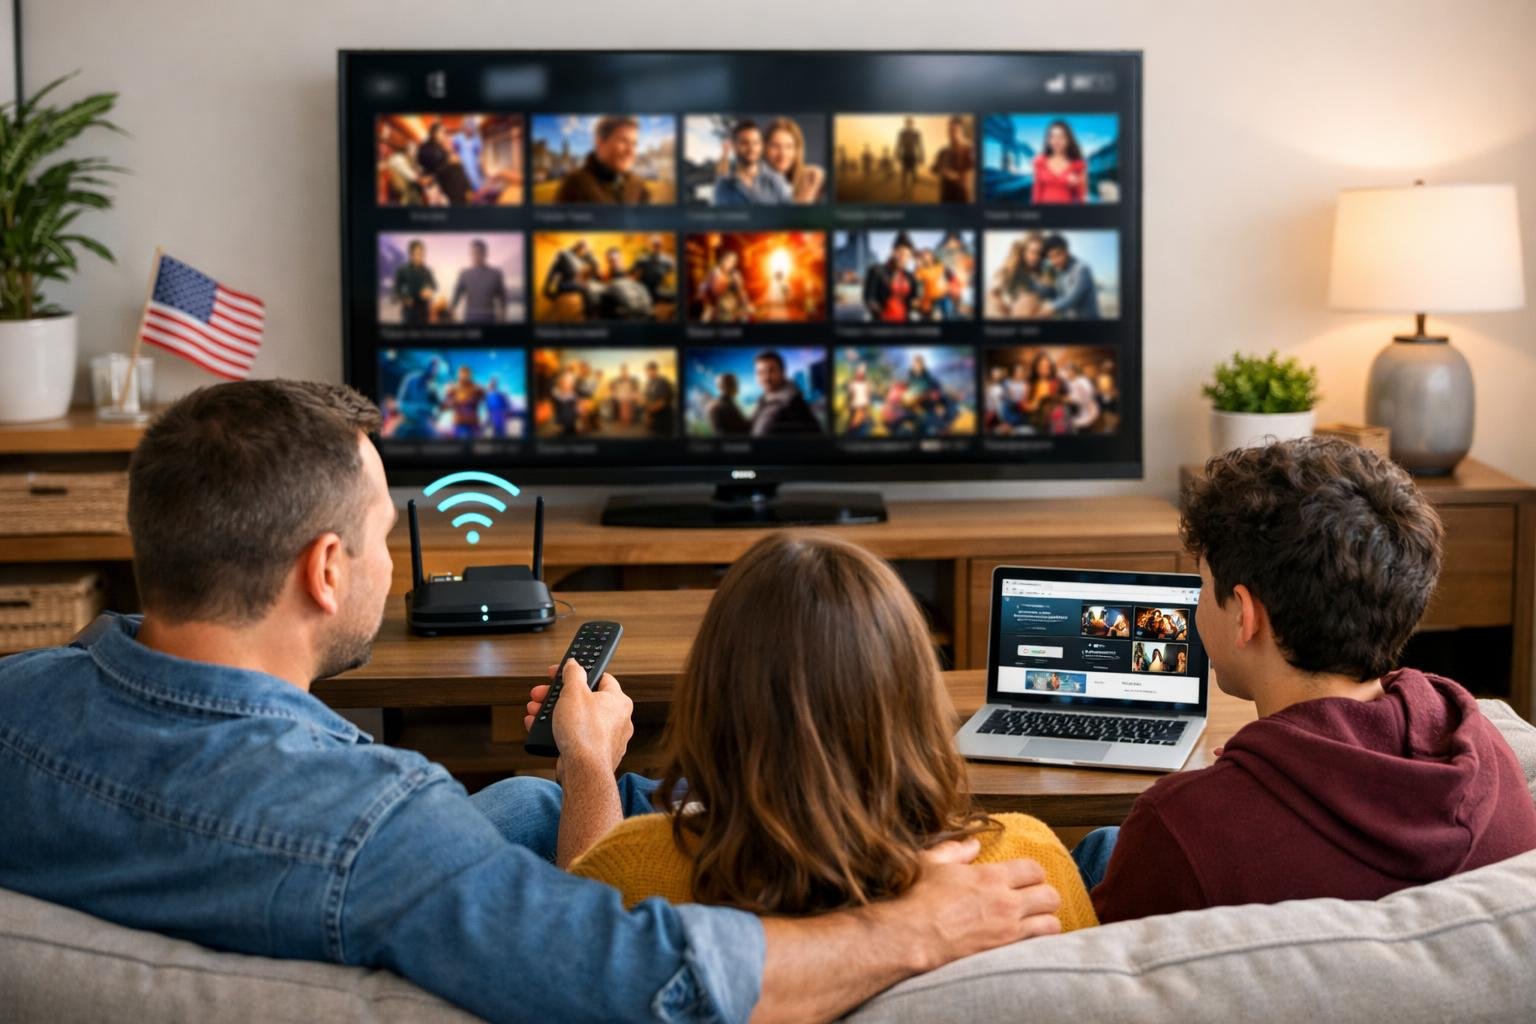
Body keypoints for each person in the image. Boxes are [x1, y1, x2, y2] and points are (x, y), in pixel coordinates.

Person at [0, 380, 1064, 1024]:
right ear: (327, 569)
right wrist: (918, 925)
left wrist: (581, 772)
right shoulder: (376, 829)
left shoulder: (15, 708)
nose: (387, 555)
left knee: (522, 800)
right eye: (381, 534)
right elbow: (662, 985)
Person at [1082, 438, 1536, 923]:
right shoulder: (1490, 754)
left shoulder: (1177, 828)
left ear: (1245, 616)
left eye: (1201, 588)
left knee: (1092, 852)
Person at [566, 533, 1096, 933]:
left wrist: (587, 766)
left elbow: (571, 961)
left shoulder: (632, 865)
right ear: (917, 703)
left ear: (710, 700)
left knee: (538, 800)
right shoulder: (1029, 869)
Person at [554, 116, 652, 204]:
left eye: (634, 144)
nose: (631, 152)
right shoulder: (575, 186)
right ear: (600, 143)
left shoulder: (638, 185)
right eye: (623, 141)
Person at [712, 120, 793, 205]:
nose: (751, 148)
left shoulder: (777, 180)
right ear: (735, 146)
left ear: (761, 146)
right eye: (744, 143)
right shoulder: (723, 185)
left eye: (756, 143)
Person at [749, 350, 822, 437]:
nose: (766, 377)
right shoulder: (763, 400)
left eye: (771, 370)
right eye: (760, 372)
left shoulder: (794, 405)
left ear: (783, 372)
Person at [763, 117, 825, 203]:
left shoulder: (813, 178)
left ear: (797, 150)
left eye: (789, 147)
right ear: (764, 148)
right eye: (775, 146)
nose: (782, 154)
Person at [990, 234, 1052, 318]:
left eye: (1039, 254)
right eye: (1032, 252)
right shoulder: (1012, 267)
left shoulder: (1043, 271)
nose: (1036, 257)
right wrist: (1008, 312)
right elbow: (993, 293)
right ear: (1024, 251)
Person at [1041, 235, 1100, 320]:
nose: (1055, 261)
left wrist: (1049, 307)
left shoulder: (1082, 269)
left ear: (1067, 251)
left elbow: (1072, 299)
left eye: (1058, 254)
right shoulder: (1060, 273)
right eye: (1051, 257)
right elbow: (1058, 296)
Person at [417, 121, 475, 206]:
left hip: (457, 189)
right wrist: (448, 162)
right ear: (434, 133)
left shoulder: (443, 150)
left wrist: (468, 188)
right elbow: (431, 171)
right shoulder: (427, 148)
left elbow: (459, 170)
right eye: (442, 132)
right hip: (447, 190)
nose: (444, 135)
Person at [450, 239, 508, 324]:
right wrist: (451, 311)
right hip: (470, 316)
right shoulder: (464, 274)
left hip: (489, 316)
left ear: (485, 254)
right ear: (470, 254)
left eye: (479, 252)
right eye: (473, 253)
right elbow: (457, 294)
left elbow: (502, 298)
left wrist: (503, 316)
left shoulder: (496, 274)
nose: (476, 256)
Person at [1031, 119, 1087, 204]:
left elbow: (1082, 198)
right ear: (1048, 139)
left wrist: (1077, 184)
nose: (1056, 141)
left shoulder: (1078, 164)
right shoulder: (1039, 162)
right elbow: (1036, 193)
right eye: (1052, 136)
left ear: (1069, 139)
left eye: (1061, 137)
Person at [541, 239, 600, 319]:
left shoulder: (581, 259)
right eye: (585, 249)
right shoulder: (565, 255)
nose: (585, 252)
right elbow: (552, 271)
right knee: (588, 287)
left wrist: (591, 255)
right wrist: (547, 288)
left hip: (574, 284)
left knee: (593, 287)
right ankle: (590, 316)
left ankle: (590, 314)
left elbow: (594, 267)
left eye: (587, 250)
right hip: (565, 285)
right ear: (579, 247)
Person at [862, 236, 917, 322]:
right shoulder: (876, 270)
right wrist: (881, 315)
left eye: (908, 256)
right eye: (901, 253)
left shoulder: (910, 276)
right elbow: (869, 298)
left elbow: (913, 298)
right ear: (893, 252)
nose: (904, 258)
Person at [393, 355, 443, 439]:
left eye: (436, 368)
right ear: (427, 366)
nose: (434, 370)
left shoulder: (435, 387)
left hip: (425, 426)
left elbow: (438, 409)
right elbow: (400, 403)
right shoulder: (411, 379)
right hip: (408, 422)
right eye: (432, 366)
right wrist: (419, 410)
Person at [696, 248, 752, 323]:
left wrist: (746, 304)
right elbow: (702, 292)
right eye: (729, 260)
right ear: (722, 260)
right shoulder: (713, 273)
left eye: (734, 261)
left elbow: (741, 291)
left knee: (745, 319)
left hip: (734, 308)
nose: (731, 264)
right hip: (720, 311)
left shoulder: (735, 275)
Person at [931, 116, 974, 203]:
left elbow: (969, 177)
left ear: (963, 132)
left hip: (962, 199)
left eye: (955, 131)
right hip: (945, 198)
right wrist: (941, 170)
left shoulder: (969, 150)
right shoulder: (943, 151)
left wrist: (953, 176)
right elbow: (933, 168)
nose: (951, 134)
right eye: (949, 131)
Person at [392, 240, 436, 325]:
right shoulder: (402, 271)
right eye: (419, 254)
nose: (422, 257)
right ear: (411, 255)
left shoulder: (427, 271)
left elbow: (434, 285)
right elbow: (394, 293)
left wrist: (430, 290)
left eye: (423, 254)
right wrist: (404, 298)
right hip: (409, 314)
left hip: (424, 314)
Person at [444, 365, 486, 441]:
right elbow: (446, 406)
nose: (464, 376)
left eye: (466, 373)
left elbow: (485, 399)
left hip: (473, 422)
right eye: (462, 373)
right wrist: (452, 400)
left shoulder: (477, 388)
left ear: (470, 375)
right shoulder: (453, 388)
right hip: (460, 422)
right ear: (458, 374)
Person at [631, 235, 676, 306]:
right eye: (654, 245)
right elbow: (634, 275)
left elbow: (673, 276)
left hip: (661, 290)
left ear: (662, 246)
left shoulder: (668, 260)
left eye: (658, 245)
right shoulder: (641, 259)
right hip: (645, 290)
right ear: (650, 246)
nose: (656, 247)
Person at [642, 361, 675, 436]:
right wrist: (648, 415)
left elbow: (662, 403)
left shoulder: (663, 382)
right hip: (653, 425)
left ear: (655, 370)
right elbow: (647, 399)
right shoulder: (649, 383)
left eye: (648, 371)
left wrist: (649, 411)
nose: (647, 373)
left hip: (663, 423)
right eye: (646, 371)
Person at [895, 117, 924, 198]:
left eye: (910, 123)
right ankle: (903, 191)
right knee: (904, 174)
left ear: (912, 124)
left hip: (913, 155)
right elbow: (898, 144)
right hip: (905, 155)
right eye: (907, 122)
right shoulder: (902, 133)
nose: (909, 124)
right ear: (905, 123)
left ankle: (911, 191)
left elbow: (920, 145)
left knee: (913, 175)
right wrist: (897, 154)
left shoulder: (916, 133)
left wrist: (921, 156)